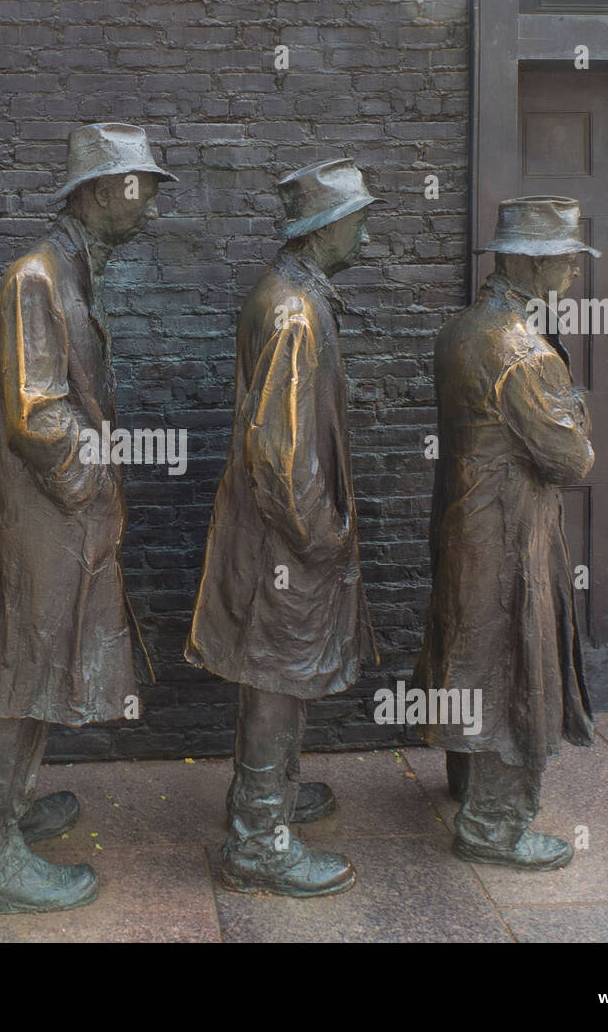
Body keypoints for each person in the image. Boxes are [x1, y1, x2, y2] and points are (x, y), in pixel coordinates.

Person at [0, 123, 175, 914]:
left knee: (36, 676)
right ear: (89, 193)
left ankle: (5, 812)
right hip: (41, 526)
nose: (146, 202)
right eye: (133, 185)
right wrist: (100, 486)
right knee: (17, 681)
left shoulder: (69, 273)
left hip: (57, 524)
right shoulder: (36, 279)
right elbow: (37, 416)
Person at [186, 158, 379, 896]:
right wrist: (322, 535)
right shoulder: (295, 311)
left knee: (282, 674)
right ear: (326, 229)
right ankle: (259, 839)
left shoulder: (293, 295)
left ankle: (272, 796)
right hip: (284, 541)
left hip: (278, 533)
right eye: (358, 222)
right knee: (274, 676)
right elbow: (281, 448)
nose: (365, 236)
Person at [416, 195, 597, 870]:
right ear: (530, 261)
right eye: (565, 258)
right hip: (512, 530)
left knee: (471, 643)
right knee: (515, 659)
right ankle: (494, 824)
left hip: (466, 520)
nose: (575, 270)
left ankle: (467, 775)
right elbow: (571, 457)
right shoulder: (523, 350)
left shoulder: (462, 329)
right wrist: (577, 408)